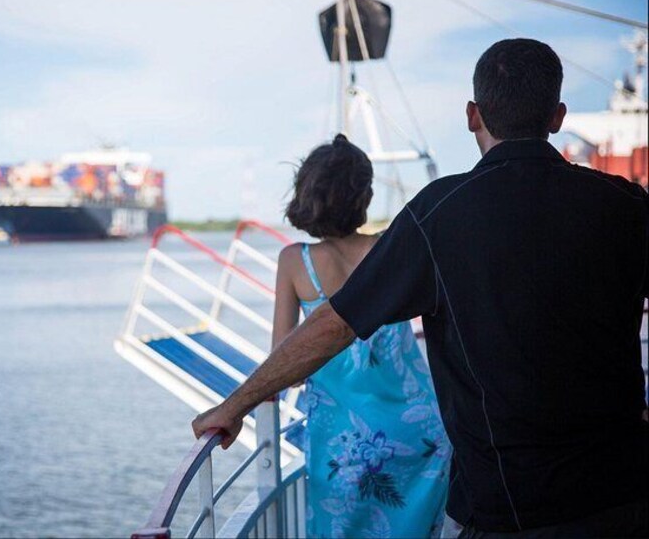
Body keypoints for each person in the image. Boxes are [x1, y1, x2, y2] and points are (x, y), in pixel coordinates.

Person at [193, 38, 648, 537]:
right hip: (624, 497)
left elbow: (336, 325)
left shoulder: (440, 215)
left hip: (507, 509)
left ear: (473, 115)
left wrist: (234, 405)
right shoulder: (625, 206)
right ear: (558, 116)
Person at [274, 134, 450, 538]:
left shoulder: (295, 263)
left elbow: (287, 364)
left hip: (343, 446)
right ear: (363, 197)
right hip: (418, 434)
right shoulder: (390, 247)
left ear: (308, 194)